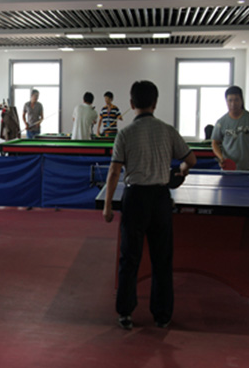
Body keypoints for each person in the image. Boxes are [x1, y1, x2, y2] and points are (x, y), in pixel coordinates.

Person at [103, 80, 196, 330]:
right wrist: (182, 169)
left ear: (131, 103)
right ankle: (162, 315)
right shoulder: (168, 130)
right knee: (162, 259)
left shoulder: (124, 134)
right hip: (160, 199)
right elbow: (191, 159)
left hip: (135, 199)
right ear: (155, 103)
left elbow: (114, 172)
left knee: (129, 258)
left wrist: (108, 206)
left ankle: (125, 313)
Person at [211, 86, 249, 170]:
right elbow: (215, 143)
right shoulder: (221, 122)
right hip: (229, 170)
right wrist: (221, 157)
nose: (233, 104)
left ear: (241, 100)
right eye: (230, 100)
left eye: (236, 100)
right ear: (226, 101)